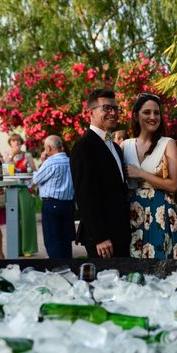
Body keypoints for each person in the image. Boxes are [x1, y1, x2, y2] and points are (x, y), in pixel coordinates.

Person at [71, 88, 130, 258]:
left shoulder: (116, 147)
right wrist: (100, 237)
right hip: (103, 240)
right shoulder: (84, 147)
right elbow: (84, 195)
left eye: (115, 108)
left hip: (120, 233)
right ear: (91, 113)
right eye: (106, 108)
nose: (112, 113)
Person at [122, 93, 177, 259]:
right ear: (136, 116)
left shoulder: (167, 143)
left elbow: (172, 185)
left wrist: (140, 173)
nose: (153, 117)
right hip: (132, 211)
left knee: (161, 262)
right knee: (133, 262)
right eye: (147, 112)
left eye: (156, 113)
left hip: (160, 210)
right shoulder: (125, 146)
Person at [32, 135, 75, 259]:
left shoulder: (50, 162)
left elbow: (35, 179)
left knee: (53, 241)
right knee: (66, 240)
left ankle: (57, 270)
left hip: (52, 204)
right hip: (68, 204)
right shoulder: (70, 160)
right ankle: (68, 269)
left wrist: (42, 162)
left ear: (49, 148)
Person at [3, 132, 38, 256]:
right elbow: (4, 171)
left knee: (27, 219)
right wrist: (11, 156)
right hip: (11, 189)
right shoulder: (6, 155)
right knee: (13, 220)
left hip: (25, 189)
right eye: (13, 141)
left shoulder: (27, 155)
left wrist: (33, 187)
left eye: (18, 140)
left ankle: (28, 248)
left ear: (21, 142)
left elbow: (35, 172)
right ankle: (16, 248)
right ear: (10, 143)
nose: (16, 143)